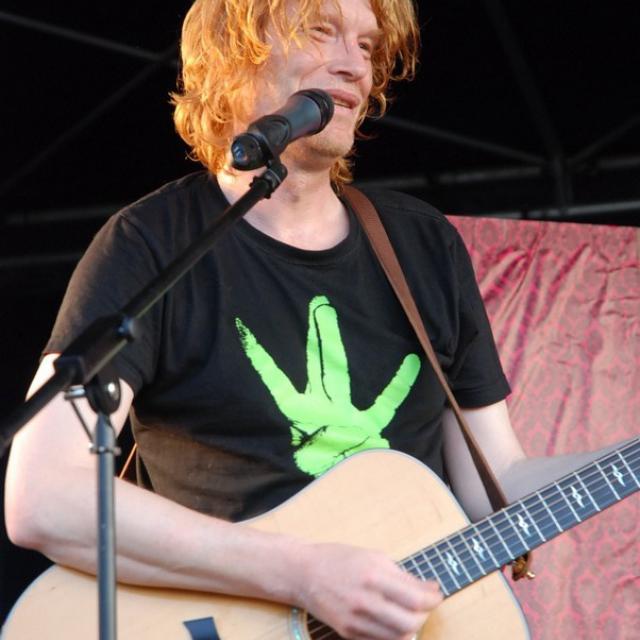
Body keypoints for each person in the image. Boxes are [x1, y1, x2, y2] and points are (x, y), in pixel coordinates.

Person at [4, 1, 630, 639]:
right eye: (321, 31)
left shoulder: (422, 247)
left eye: (367, 45)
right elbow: (44, 494)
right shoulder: (151, 243)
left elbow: (496, 484)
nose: (355, 65)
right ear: (235, 54)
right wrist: (302, 575)